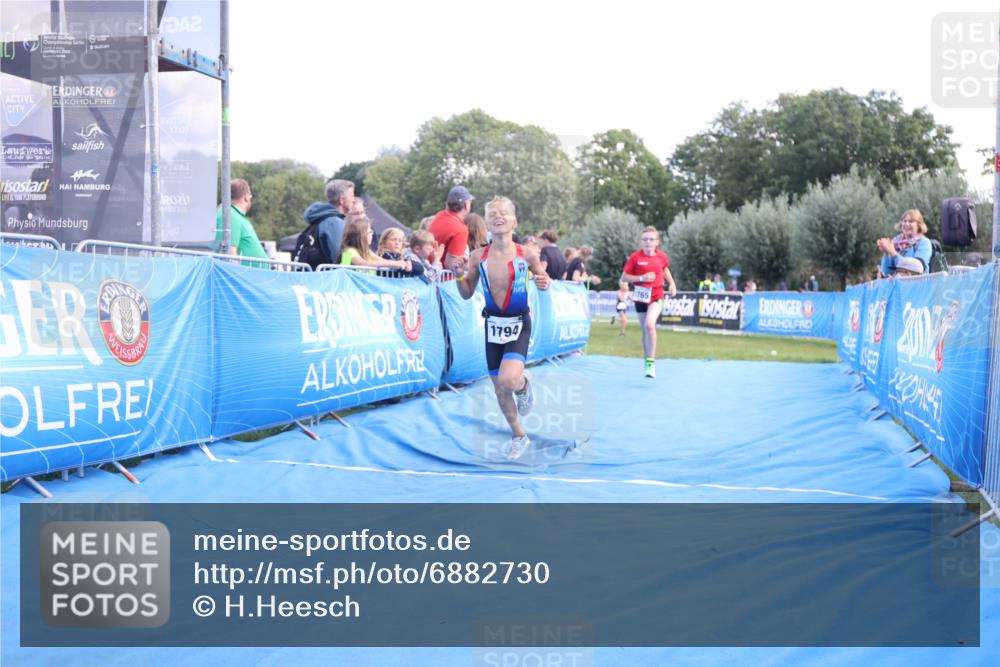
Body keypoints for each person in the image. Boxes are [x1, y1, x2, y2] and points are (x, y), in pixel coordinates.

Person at [456, 196, 550, 460]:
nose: (498, 217)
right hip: (493, 326)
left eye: (504, 213)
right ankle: (519, 435)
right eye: (493, 213)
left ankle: (523, 386)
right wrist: (457, 275)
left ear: (514, 221)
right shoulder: (477, 257)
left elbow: (543, 277)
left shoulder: (527, 253)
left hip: (519, 323)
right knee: (499, 388)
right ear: (486, 221)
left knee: (509, 380)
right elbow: (466, 293)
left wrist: (544, 282)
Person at [621, 226, 677, 378]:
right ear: (641, 241)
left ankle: (651, 363)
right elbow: (624, 278)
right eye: (645, 239)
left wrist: (672, 283)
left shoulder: (661, 256)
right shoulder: (635, 258)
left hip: (656, 296)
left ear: (657, 242)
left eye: (651, 239)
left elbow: (665, 269)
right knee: (645, 330)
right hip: (640, 297)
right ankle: (647, 362)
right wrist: (641, 278)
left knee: (649, 325)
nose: (648, 242)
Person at [296, 179, 355, 268]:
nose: (353, 200)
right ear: (342, 200)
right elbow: (339, 258)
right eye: (352, 196)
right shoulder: (334, 223)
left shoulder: (320, 218)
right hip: (325, 279)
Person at [215, 178, 267, 261]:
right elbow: (230, 254)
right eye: (250, 196)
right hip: (244, 273)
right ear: (246, 196)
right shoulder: (230, 215)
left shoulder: (232, 214)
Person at [339, 215, 411, 273]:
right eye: (370, 232)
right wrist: (395, 264)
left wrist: (400, 263)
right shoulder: (349, 251)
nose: (372, 235)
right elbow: (363, 264)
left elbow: (381, 261)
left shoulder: (367, 251)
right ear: (362, 235)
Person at [429, 185, 474, 273]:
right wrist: (468, 266)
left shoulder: (440, 215)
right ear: (466, 205)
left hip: (429, 274)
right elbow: (451, 265)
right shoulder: (460, 229)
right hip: (442, 281)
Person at [877, 209, 933, 278]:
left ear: (919, 225)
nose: (906, 224)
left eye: (911, 221)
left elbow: (917, 268)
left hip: (918, 286)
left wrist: (894, 253)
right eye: (904, 221)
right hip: (898, 287)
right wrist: (886, 253)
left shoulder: (924, 242)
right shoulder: (895, 243)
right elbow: (886, 273)